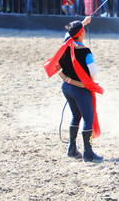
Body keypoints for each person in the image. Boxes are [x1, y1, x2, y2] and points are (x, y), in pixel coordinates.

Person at [43, 16, 104, 162]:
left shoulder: (66, 44)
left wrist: (83, 22)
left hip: (67, 87)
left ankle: (72, 148)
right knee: (88, 118)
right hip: (80, 90)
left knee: (76, 116)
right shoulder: (85, 51)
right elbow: (94, 73)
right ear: (82, 33)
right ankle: (88, 152)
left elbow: (68, 35)